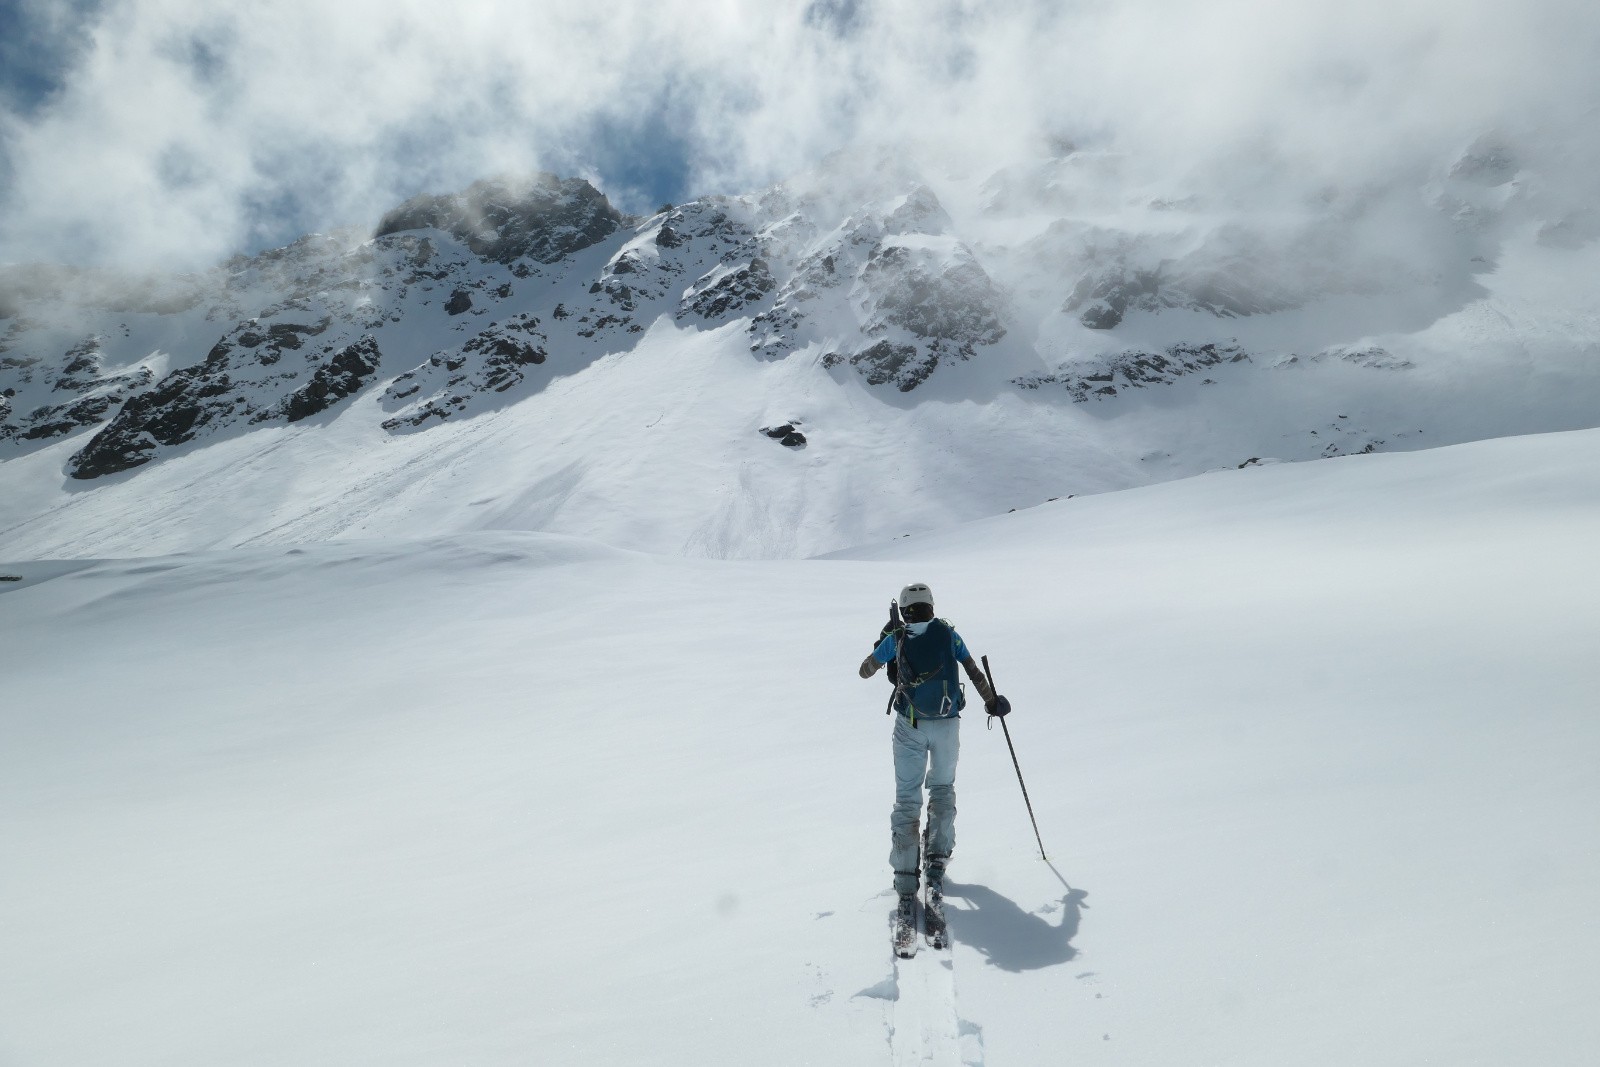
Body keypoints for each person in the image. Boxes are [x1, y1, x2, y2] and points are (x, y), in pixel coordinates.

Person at [858, 582, 1007, 916]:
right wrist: (992, 701)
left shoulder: (897, 636)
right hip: (948, 724)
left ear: (907, 608)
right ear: (932, 606)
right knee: (942, 789)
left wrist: (884, 642)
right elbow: (973, 670)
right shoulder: (948, 634)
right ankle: (936, 865)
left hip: (910, 725)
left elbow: (864, 670)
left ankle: (906, 879)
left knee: (908, 799)